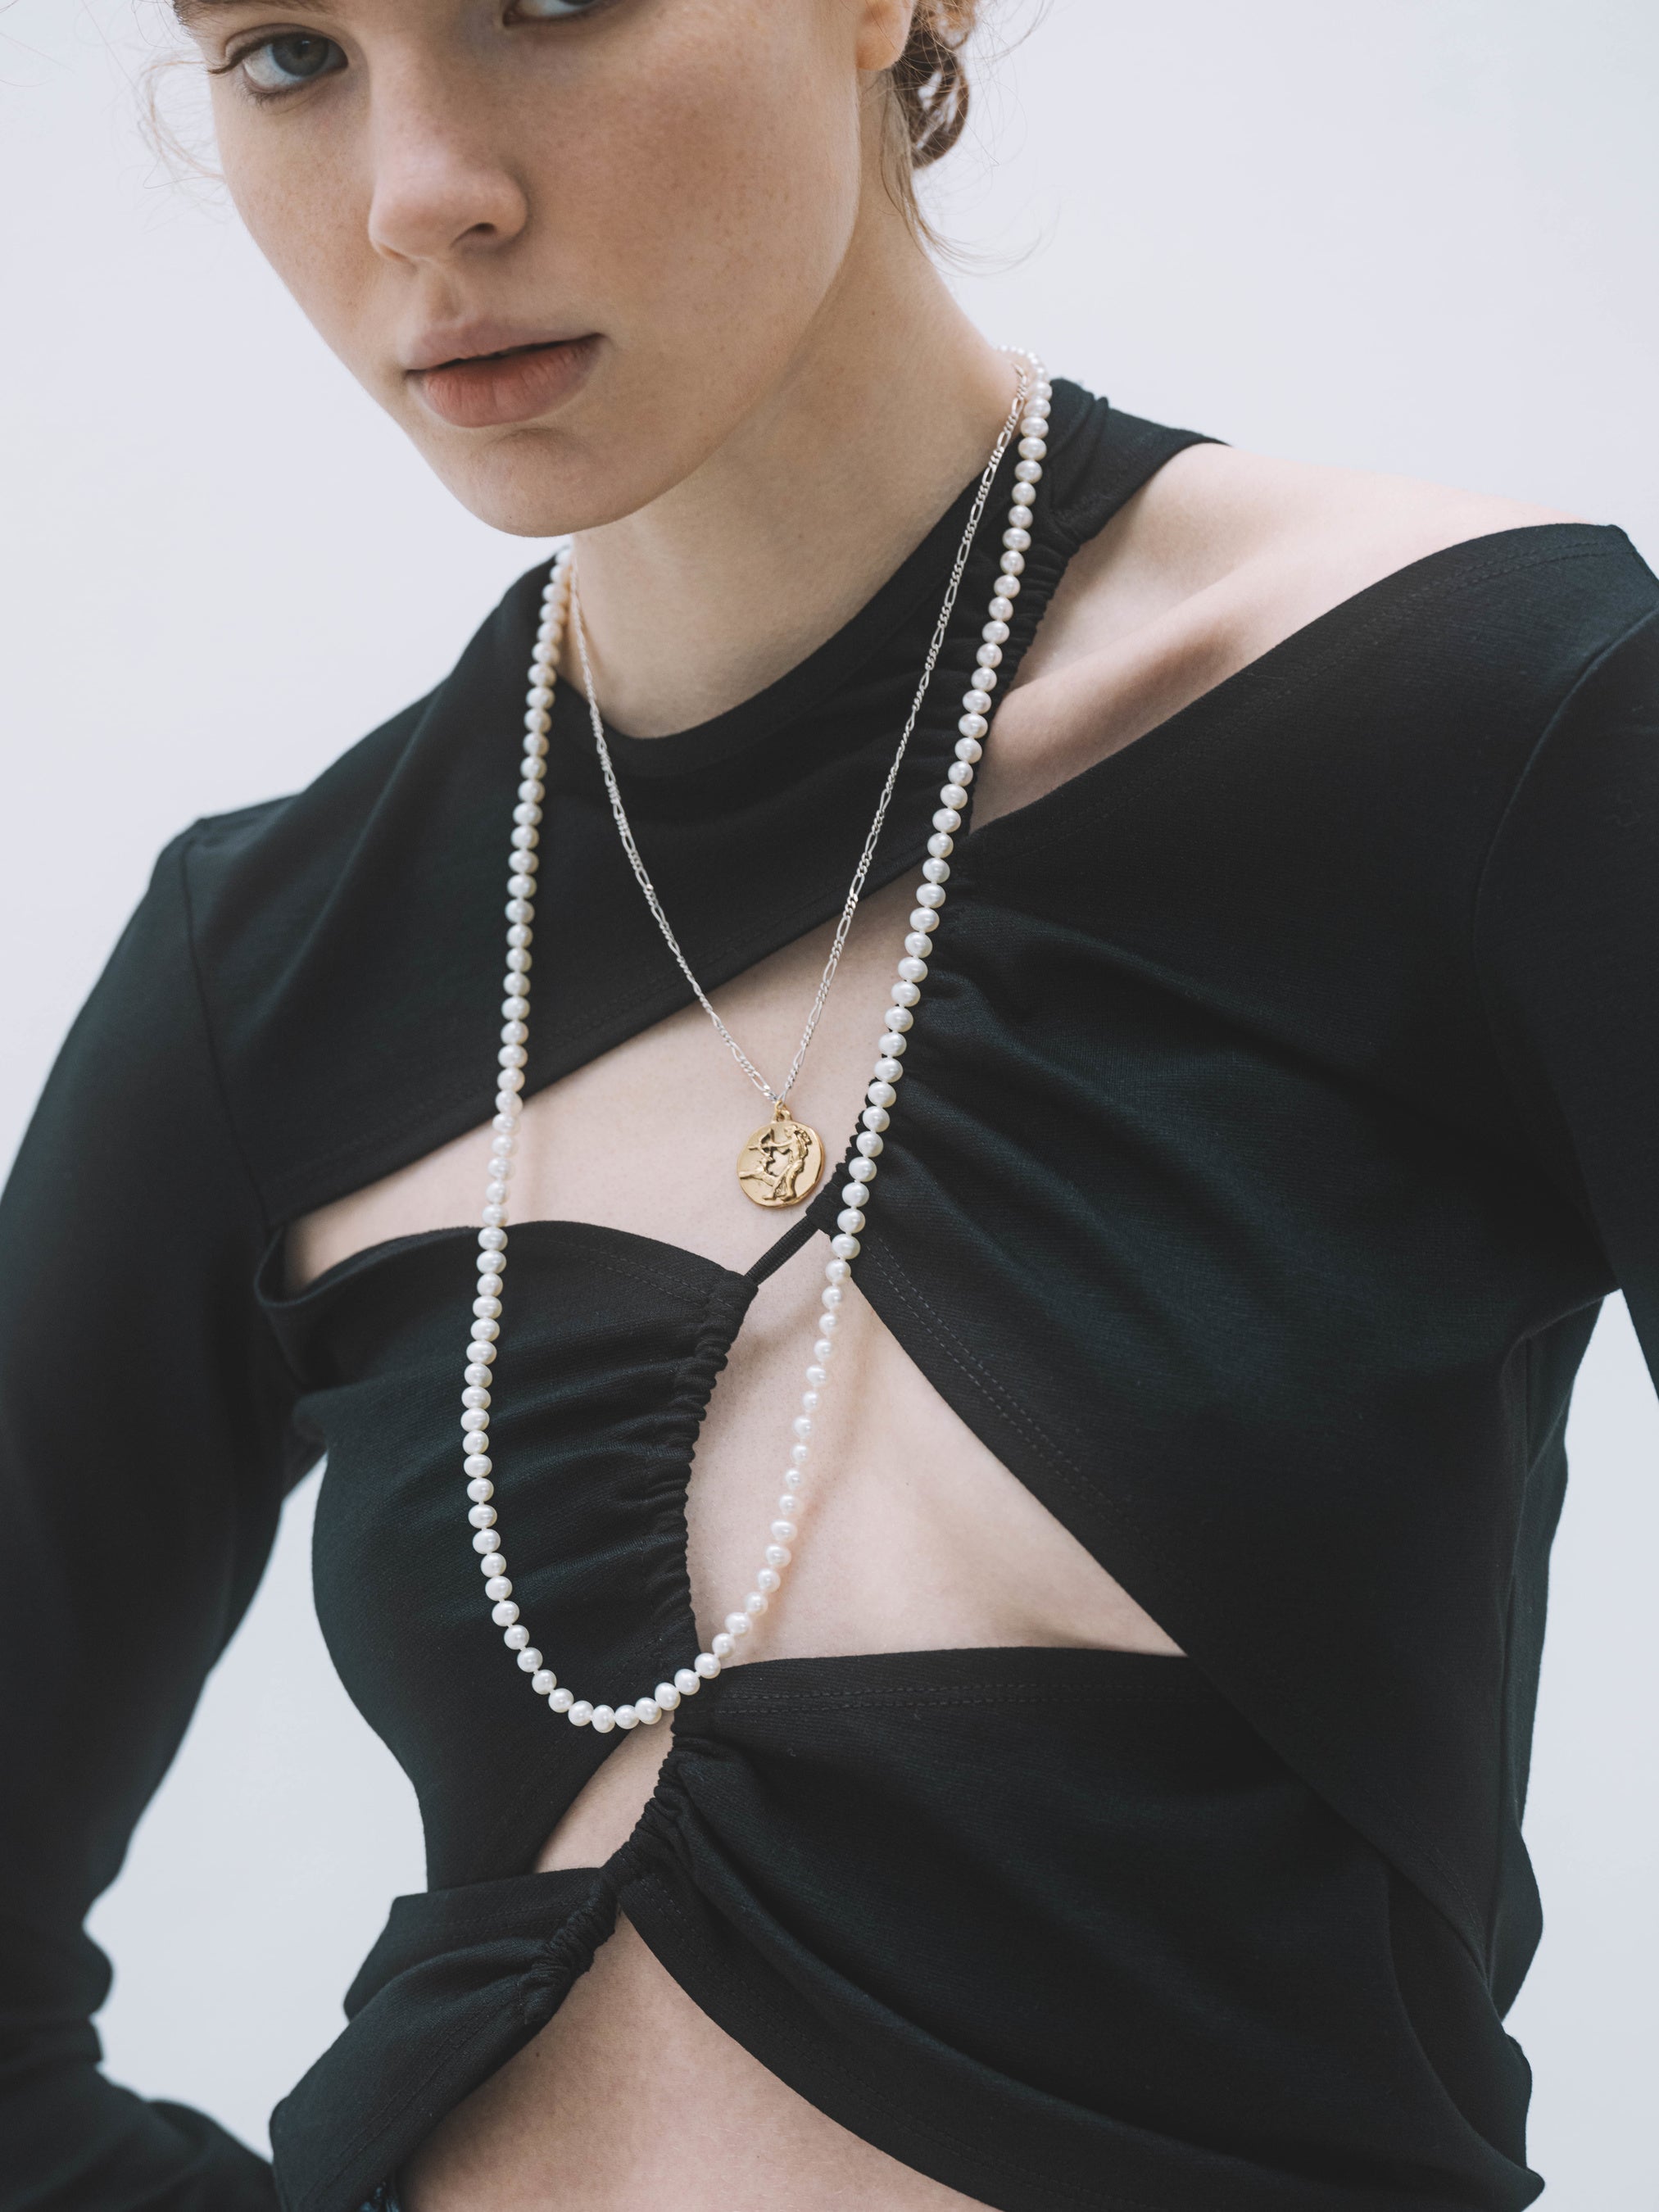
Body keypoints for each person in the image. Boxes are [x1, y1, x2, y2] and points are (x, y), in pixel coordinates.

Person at [3, 2, 1656, 2207]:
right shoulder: (272, 965)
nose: (420, 195)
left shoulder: (1489, 720)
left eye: (547, 0)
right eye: (292, 52)